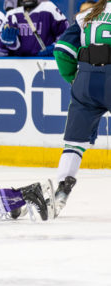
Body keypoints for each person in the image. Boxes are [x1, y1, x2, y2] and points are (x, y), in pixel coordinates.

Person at [52, 0, 111, 216]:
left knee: (74, 144)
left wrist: (74, 80)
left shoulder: (86, 15)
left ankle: (61, 190)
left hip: (86, 81)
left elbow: (61, 50)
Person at [0, 0, 68, 56]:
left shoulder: (49, 8)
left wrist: (55, 48)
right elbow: (3, 48)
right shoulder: (12, 14)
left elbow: (65, 35)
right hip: (19, 65)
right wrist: (10, 43)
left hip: (45, 63)